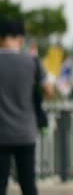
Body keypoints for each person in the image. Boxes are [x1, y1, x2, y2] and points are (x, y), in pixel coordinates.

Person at [0, 18, 39, 195]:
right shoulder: (32, 62)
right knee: (28, 185)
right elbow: (48, 90)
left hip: (1, 134)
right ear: (21, 38)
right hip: (26, 133)